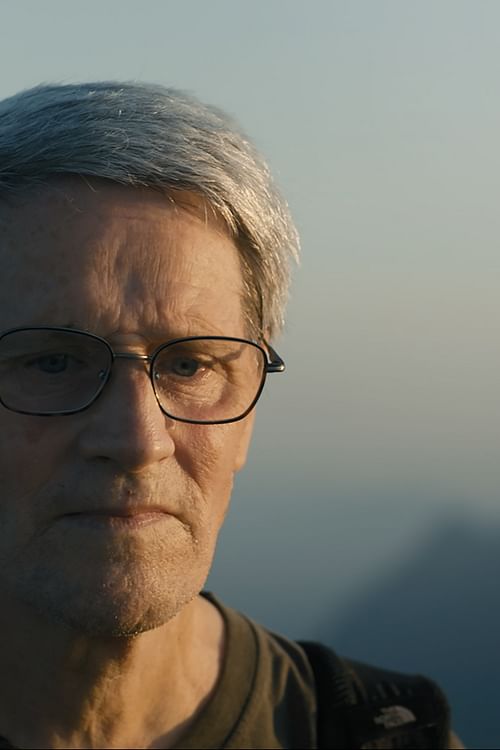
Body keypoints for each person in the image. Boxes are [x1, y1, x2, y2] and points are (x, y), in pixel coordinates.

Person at [0, 82, 463, 749]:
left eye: (190, 366)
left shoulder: (381, 734)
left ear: (248, 416)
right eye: (52, 362)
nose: (137, 439)